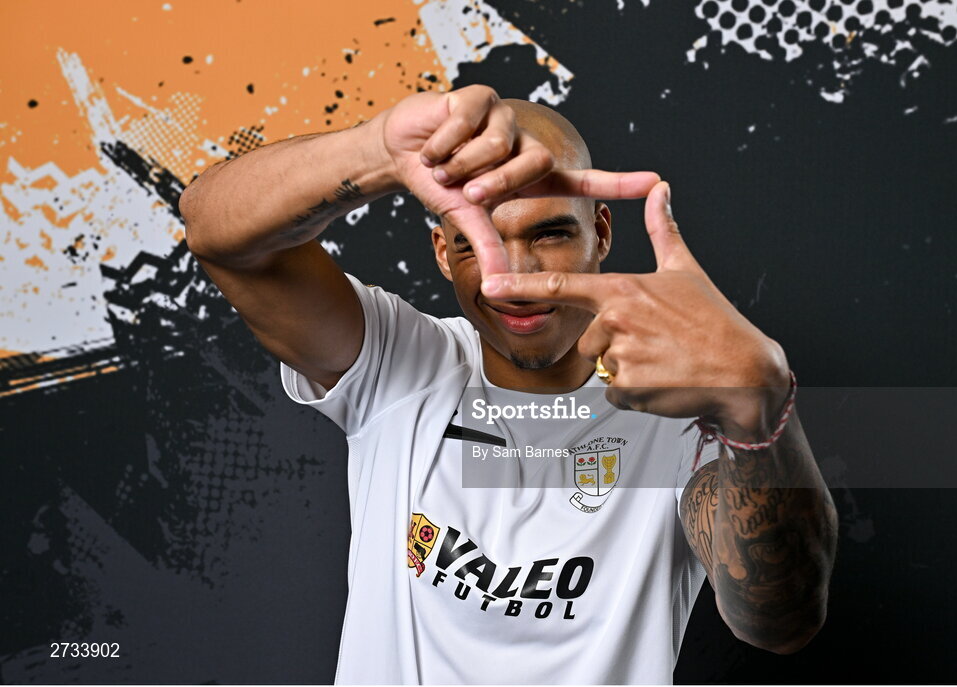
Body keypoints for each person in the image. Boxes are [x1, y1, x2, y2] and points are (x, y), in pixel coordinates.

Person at [179, 84, 838, 684]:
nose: (517, 276)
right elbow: (216, 231)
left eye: (549, 233)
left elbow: (778, 620)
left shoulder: (681, 411)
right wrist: (378, 151)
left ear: (600, 233)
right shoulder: (395, 361)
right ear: (443, 251)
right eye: (478, 239)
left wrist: (760, 402)